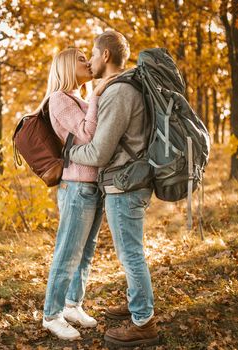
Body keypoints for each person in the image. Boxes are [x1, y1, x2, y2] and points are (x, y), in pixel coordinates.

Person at [69, 31, 159, 347]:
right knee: (129, 251)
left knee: (130, 253)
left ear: (105, 55)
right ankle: (137, 305)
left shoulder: (119, 92)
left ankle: (143, 321)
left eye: (92, 54)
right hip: (129, 181)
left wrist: (67, 153)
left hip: (125, 184)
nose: (90, 61)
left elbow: (98, 153)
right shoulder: (121, 88)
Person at [39, 48, 112, 341]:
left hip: (93, 184)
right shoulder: (59, 99)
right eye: (81, 59)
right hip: (76, 186)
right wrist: (96, 97)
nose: (88, 62)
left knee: (85, 252)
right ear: (68, 66)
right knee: (68, 252)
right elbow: (87, 134)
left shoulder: (78, 99)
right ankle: (52, 315)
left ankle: (72, 305)